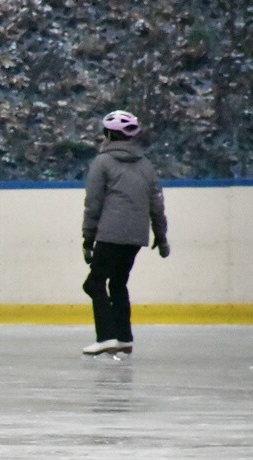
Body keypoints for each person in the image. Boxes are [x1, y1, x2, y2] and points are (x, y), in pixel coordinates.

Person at [81, 110, 170, 355]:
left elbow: (93, 203)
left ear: (109, 134)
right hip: (135, 237)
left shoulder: (102, 163)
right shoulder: (146, 165)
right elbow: (156, 204)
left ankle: (107, 337)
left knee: (94, 283)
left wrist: (88, 239)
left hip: (110, 234)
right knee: (118, 283)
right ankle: (124, 338)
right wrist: (161, 237)